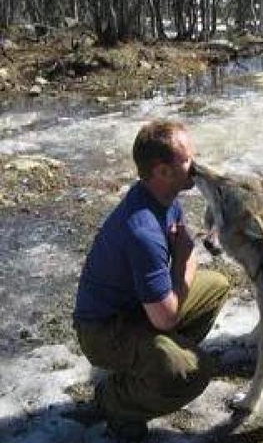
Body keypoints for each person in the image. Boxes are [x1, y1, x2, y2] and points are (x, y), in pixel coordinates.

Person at [73, 120, 230, 442]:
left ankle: (150, 364)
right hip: (103, 331)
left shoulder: (162, 197)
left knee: (215, 286)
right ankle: (116, 401)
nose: (197, 166)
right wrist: (186, 257)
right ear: (162, 171)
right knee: (190, 372)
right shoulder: (142, 230)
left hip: (139, 311)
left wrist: (184, 260)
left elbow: (166, 308)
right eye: (187, 160)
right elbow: (166, 316)